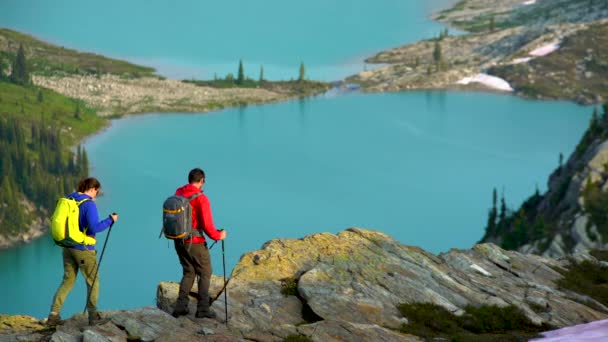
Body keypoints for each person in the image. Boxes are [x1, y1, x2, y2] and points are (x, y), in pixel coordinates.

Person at [47, 177, 118, 326]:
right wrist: (110, 220)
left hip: (67, 246)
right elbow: (94, 228)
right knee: (93, 282)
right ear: (92, 189)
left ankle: (53, 315)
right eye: (96, 192)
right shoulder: (88, 205)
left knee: (68, 281)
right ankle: (93, 318)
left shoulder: (70, 199)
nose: (96, 196)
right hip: (83, 249)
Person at [172, 167, 226, 319]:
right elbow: (207, 225)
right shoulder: (201, 198)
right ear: (202, 181)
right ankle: (203, 309)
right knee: (205, 272)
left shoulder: (178, 193)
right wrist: (218, 236)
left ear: (189, 179)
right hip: (194, 242)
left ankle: (180, 307)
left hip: (179, 240)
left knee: (189, 272)